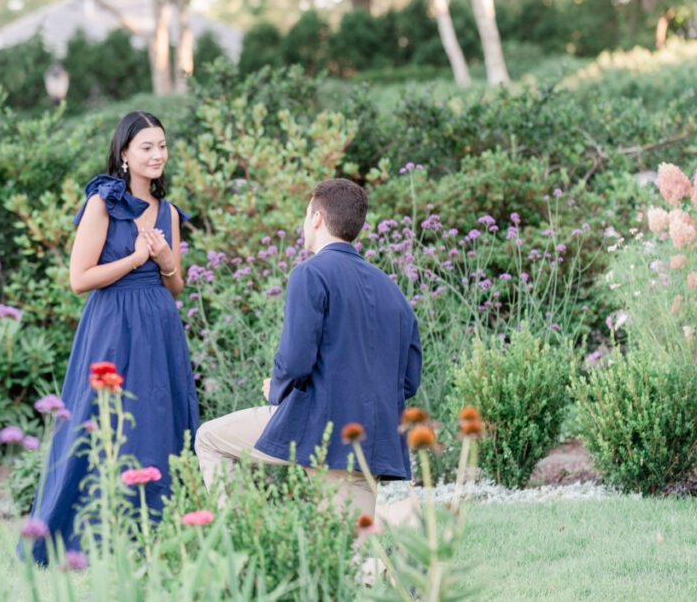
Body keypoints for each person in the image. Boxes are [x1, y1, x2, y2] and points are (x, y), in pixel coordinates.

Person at [23, 111, 199, 565]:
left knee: (158, 418)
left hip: (159, 328)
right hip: (112, 327)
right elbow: (79, 279)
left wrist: (163, 259)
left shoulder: (170, 212)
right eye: (147, 147)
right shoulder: (103, 204)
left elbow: (175, 287)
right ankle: (88, 533)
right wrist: (136, 256)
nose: (157, 154)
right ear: (124, 153)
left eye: (162, 145)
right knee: (102, 422)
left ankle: (156, 534)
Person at [195, 178, 421, 519]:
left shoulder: (309, 273)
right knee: (360, 555)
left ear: (316, 218)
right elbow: (409, 381)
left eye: (305, 215)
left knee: (209, 438)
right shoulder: (393, 291)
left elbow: (296, 361)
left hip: (322, 429)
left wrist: (276, 391)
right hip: (377, 440)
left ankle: (241, 543)